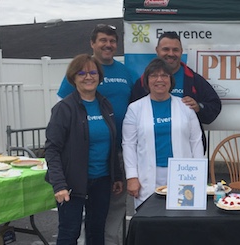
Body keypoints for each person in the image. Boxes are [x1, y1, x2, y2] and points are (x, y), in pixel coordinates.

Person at [56, 24, 134, 244]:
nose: (108, 45)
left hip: (112, 157)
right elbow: (58, 129)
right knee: (70, 226)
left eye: (112, 41)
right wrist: (60, 180)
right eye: (102, 40)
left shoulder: (124, 74)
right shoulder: (78, 74)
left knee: (103, 220)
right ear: (93, 43)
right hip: (78, 162)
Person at [45, 54, 123, 245]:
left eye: (93, 72)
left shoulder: (105, 104)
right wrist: (59, 185)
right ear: (73, 78)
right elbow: (52, 149)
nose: (88, 77)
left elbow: (112, 143)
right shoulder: (64, 108)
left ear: (99, 76)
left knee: (97, 232)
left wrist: (117, 175)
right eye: (82, 73)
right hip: (73, 183)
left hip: (102, 180)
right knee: (69, 233)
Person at [123, 58, 205, 208]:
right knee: (150, 222)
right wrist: (132, 177)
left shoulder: (185, 107)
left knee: (181, 220)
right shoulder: (135, 109)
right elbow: (129, 144)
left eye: (164, 75)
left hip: (183, 175)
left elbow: (196, 141)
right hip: (147, 177)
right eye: (154, 76)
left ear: (171, 80)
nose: (159, 79)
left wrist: (198, 175)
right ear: (147, 81)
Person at [129, 31, 221, 151]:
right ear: (157, 50)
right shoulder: (142, 83)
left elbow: (215, 105)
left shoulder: (193, 79)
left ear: (181, 51)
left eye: (175, 50)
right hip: (151, 153)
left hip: (186, 152)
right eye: (166, 49)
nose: (171, 54)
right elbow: (133, 119)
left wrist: (199, 107)